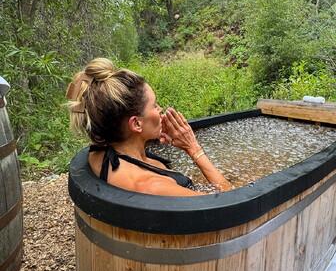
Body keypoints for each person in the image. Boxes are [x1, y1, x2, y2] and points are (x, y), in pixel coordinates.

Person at [66, 58, 232, 196]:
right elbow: (228, 204)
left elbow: (96, 112)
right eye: (154, 105)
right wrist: (193, 148)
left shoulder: (99, 150)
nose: (160, 109)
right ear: (136, 124)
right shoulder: (153, 186)